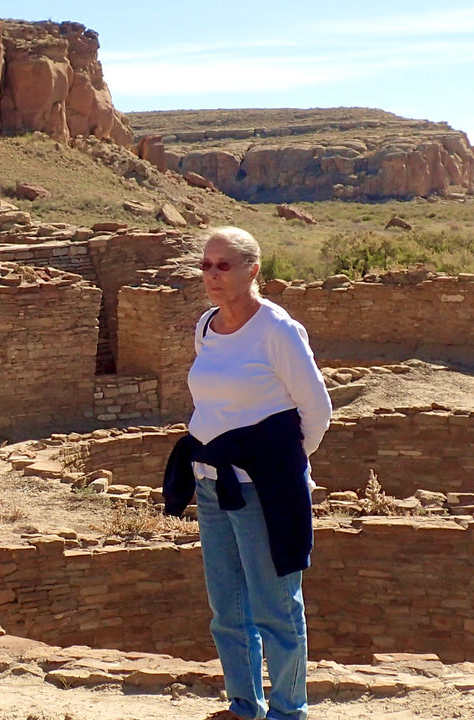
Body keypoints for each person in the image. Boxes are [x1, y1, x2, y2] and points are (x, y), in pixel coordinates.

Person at [163, 226, 332, 720]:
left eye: (224, 265)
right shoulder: (206, 325)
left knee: (276, 606)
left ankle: (287, 711)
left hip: (264, 487)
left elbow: (316, 408)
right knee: (228, 609)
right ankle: (244, 706)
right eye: (205, 265)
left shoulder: (277, 330)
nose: (212, 275)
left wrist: (283, 462)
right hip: (213, 482)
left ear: (252, 270)